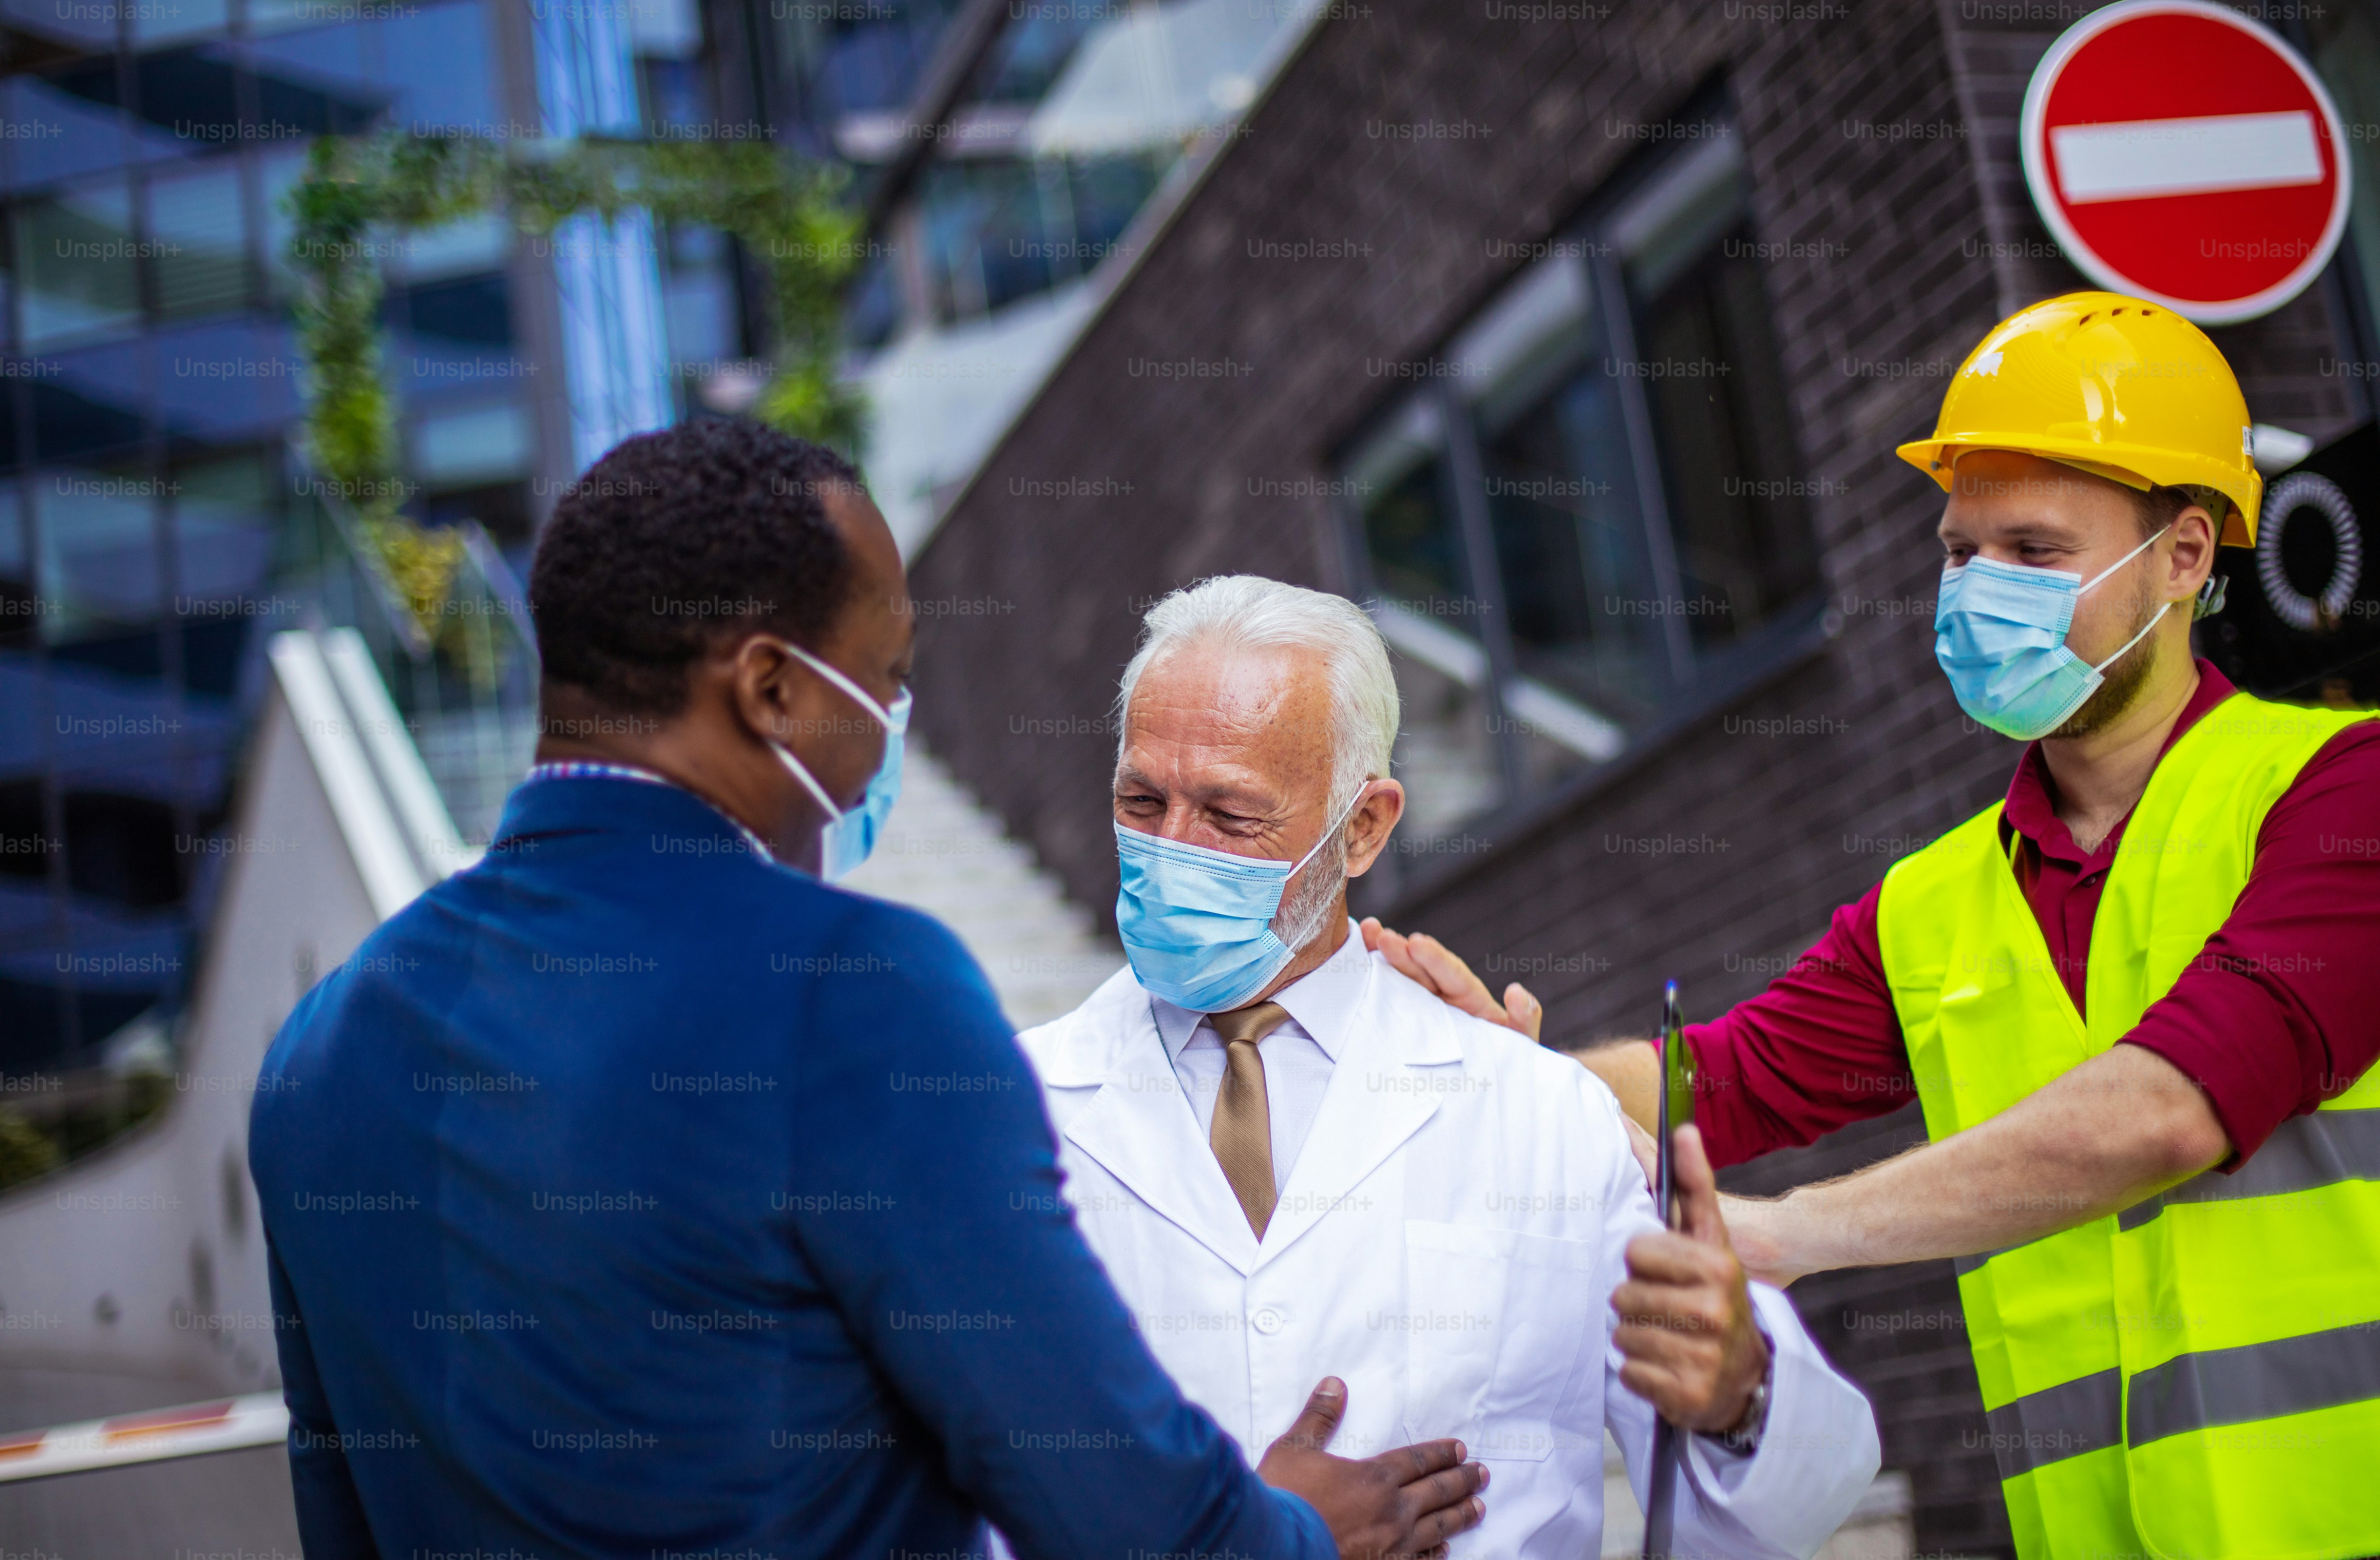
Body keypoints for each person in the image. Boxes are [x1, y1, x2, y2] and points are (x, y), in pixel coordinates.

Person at [248, 421, 1487, 1558]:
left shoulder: (316, 1051)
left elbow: (338, 1512)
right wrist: (1298, 1535)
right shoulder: (845, 994)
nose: (893, 721)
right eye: (885, 678)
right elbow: (1106, 1506)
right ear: (772, 687)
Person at [1367, 293, 2380, 1560]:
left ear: (2182, 558)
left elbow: (2173, 1106)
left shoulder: (2339, 788)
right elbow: (1712, 1084)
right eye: (1960, 553)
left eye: (2032, 551)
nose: (1975, 594)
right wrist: (1504, 1084)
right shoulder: (1933, 904)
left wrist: (1786, 1233)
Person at [1003, 575, 1880, 1560]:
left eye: (1229, 814)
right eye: (1141, 799)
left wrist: (1739, 1398)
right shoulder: (999, 1120)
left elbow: (1764, 1519)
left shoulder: (1536, 1114)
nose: (1171, 848)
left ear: (1366, 827)